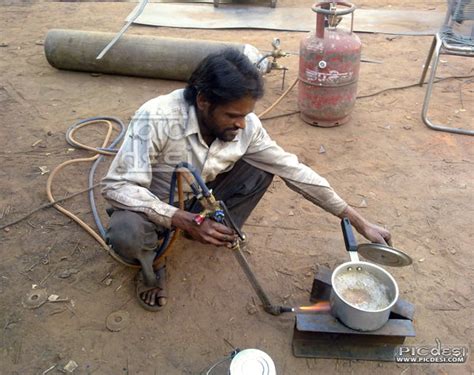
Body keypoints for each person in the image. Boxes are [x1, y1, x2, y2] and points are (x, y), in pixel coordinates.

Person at [101, 48, 391, 311]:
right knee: (126, 233)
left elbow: (294, 170)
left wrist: (357, 220)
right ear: (203, 101)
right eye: (232, 115)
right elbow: (117, 186)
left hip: (200, 194)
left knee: (264, 167)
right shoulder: (157, 117)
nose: (241, 123)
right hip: (156, 202)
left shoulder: (247, 126)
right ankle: (152, 267)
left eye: (246, 114)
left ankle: (211, 229)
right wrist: (178, 217)